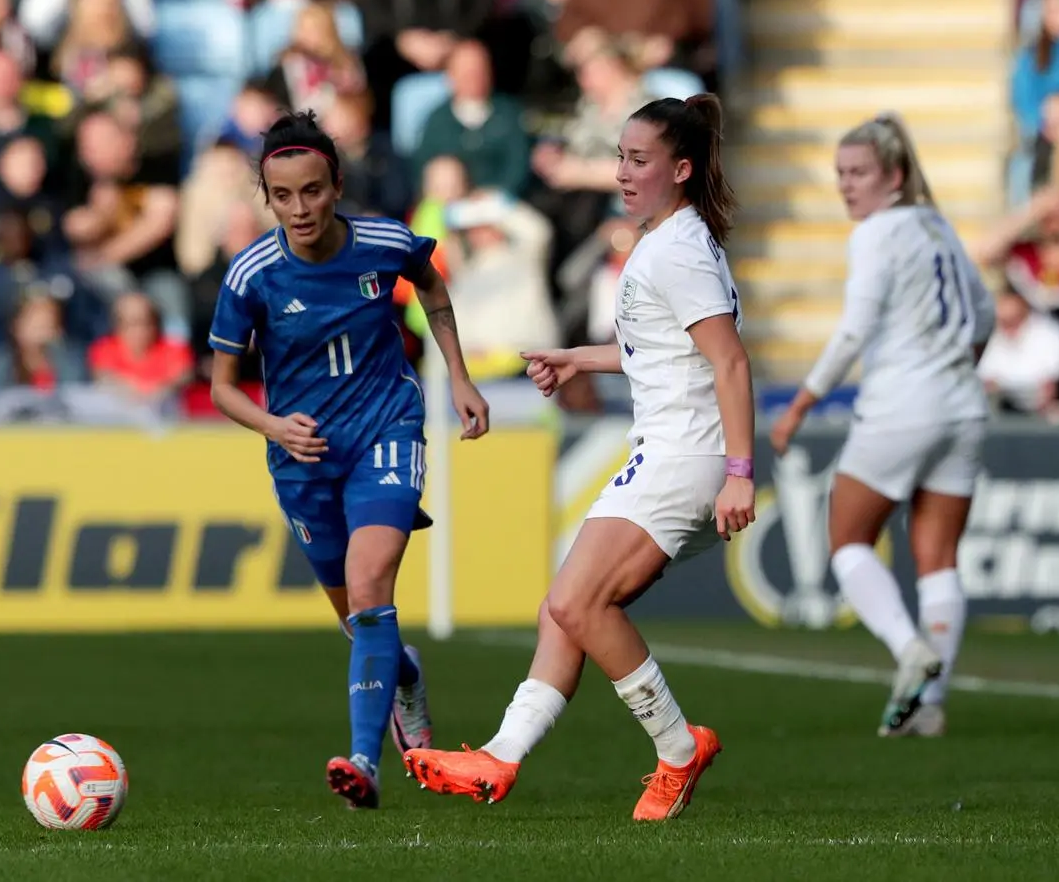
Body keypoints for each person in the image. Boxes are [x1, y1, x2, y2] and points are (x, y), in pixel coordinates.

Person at [403, 94, 755, 822]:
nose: (622, 172)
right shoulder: (666, 240)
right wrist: (578, 360)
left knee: (576, 602)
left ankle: (679, 748)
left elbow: (728, 363)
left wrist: (739, 473)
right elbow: (662, 351)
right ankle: (501, 755)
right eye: (620, 157)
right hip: (664, 449)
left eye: (638, 160)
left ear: (681, 169)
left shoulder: (680, 248)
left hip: (687, 454)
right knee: (562, 612)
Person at [207, 110, 490, 809]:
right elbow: (219, 388)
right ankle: (406, 674)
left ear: (335, 185)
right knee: (359, 621)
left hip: (385, 428)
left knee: (370, 589)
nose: (299, 208)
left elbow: (431, 286)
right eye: (282, 196)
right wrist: (275, 426)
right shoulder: (252, 275)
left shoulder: (385, 242)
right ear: (267, 198)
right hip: (304, 461)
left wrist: (457, 374)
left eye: (312, 191)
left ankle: (365, 761)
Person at [769, 113, 996, 738]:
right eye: (840, 173)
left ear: (894, 175)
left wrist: (798, 406)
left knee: (846, 541)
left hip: (902, 406)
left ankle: (907, 651)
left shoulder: (876, 233)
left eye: (859, 172)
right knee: (939, 560)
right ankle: (929, 706)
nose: (847, 186)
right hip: (963, 407)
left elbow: (853, 331)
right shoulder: (937, 224)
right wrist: (955, 369)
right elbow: (985, 314)